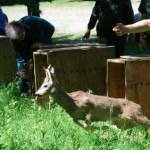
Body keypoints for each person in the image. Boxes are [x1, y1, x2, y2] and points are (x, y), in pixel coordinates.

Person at [5, 16, 55, 94]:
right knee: (22, 68)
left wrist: (41, 41)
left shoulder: (31, 21)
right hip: (26, 50)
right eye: (18, 39)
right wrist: (25, 67)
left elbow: (51, 28)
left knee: (47, 67)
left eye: (21, 37)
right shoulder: (14, 40)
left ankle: (50, 89)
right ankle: (25, 92)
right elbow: (21, 55)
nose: (20, 40)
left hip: (43, 44)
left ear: (23, 28)